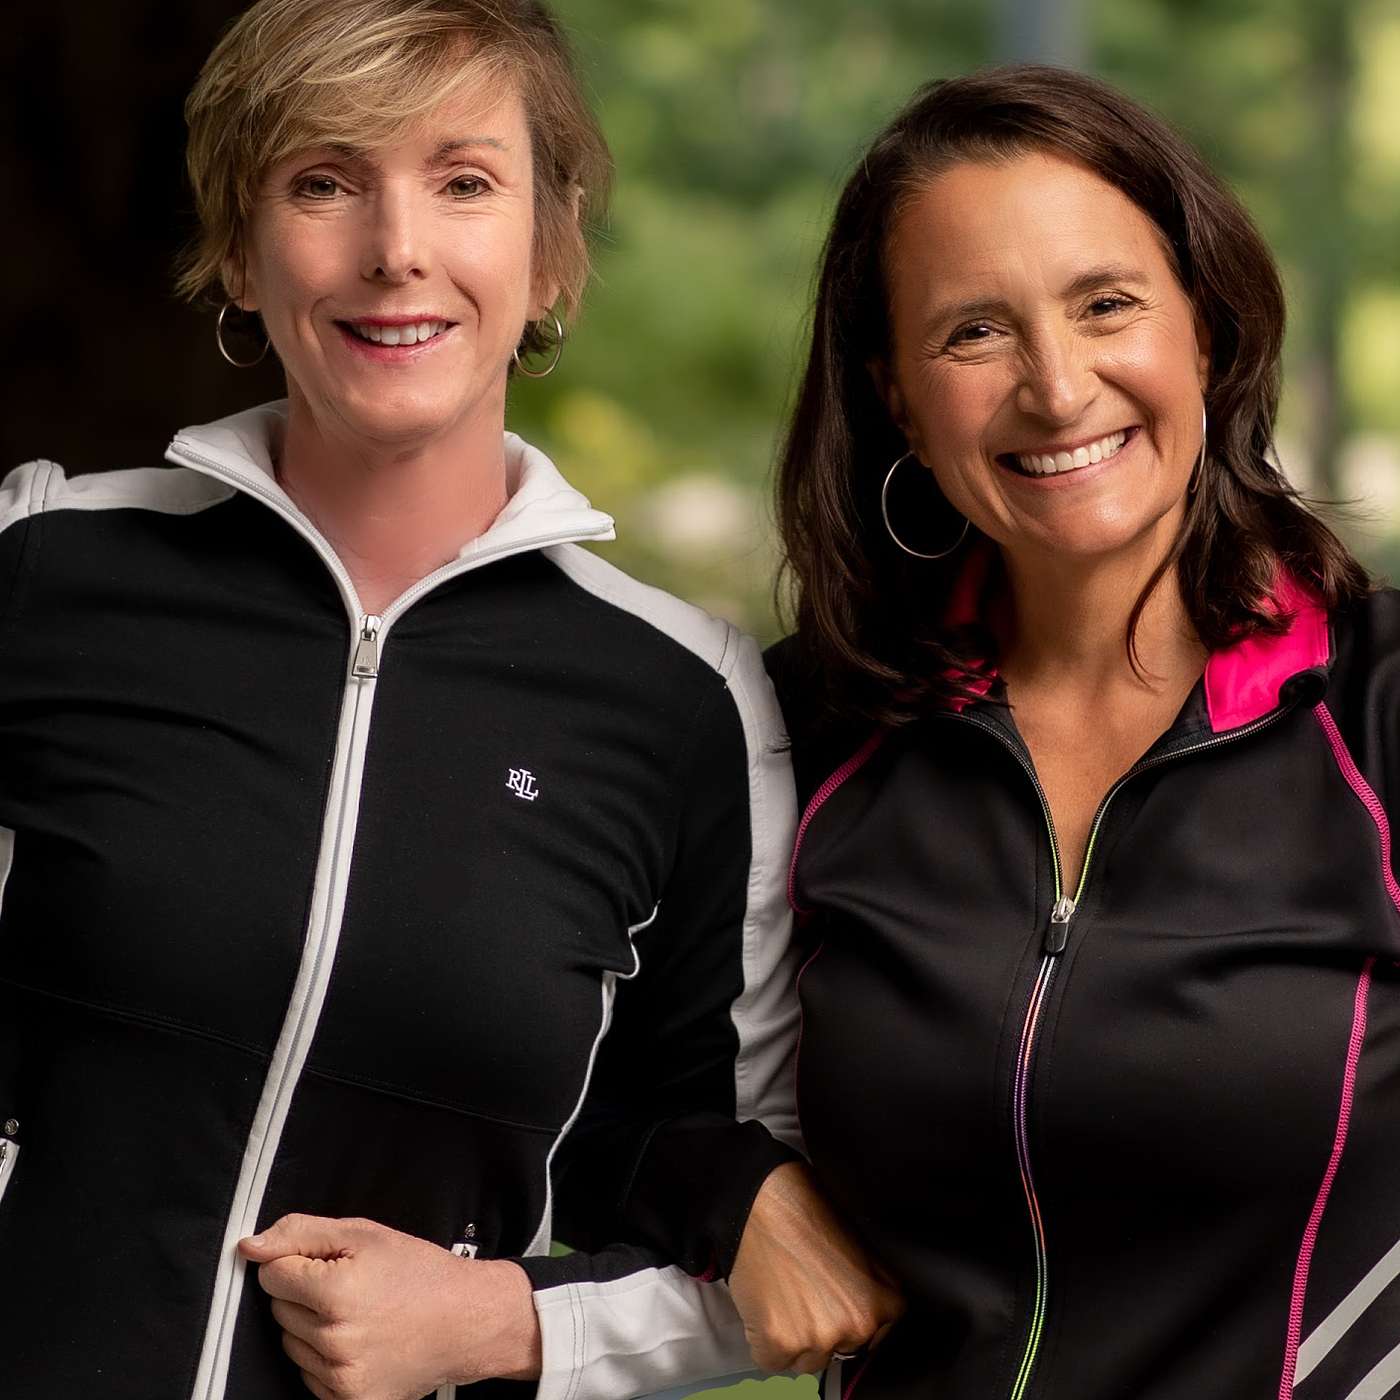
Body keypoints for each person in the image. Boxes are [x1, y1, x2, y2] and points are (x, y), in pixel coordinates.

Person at [0, 2, 899, 1397]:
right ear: (237, 247)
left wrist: (506, 1325)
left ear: (552, 253)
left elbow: (773, 1245)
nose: (396, 249)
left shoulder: (685, 703)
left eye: (465, 182)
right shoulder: (44, 570)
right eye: (323, 181)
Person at [770, 62, 1400, 1400]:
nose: (1057, 390)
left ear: (1206, 332)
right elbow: (614, 1077)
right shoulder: (803, 732)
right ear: (896, 395)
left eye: (1107, 305)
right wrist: (731, 1191)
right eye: (974, 333)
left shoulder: (1379, 710)